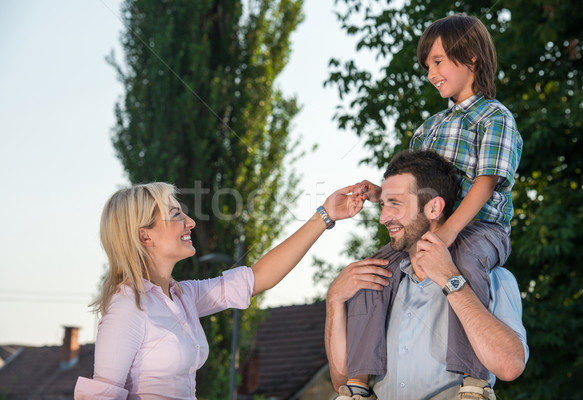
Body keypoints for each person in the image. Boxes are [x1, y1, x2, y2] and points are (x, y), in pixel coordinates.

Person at [338, 13, 523, 399]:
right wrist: (380, 194)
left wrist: (450, 231)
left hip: (479, 228)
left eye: (438, 62)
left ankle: (472, 380)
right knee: (371, 271)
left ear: (470, 58)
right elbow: (414, 187)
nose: (430, 73)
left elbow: (487, 182)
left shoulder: (494, 116)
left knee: (466, 261)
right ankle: (357, 383)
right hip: (432, 229)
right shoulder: (428, 127)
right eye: (427, 66)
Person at [74, 181, 365, 399]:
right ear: (144, 235)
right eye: (175, 215)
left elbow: (259, 277)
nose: (190, 222)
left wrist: (326, 214)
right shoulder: (127, 306)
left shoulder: (183, 297)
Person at [326, 150, 528, 400]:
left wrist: (451, 280)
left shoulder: (494, 278)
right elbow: (342, 381)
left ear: (434, 207)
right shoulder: (376, 283)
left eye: (395, 204)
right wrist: (334, 300)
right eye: (384, 204)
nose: (383, 218)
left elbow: (510, 366)